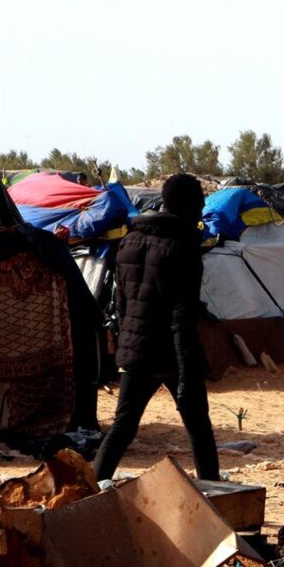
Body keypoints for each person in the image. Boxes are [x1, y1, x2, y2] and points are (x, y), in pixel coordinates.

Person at [93, 174, 220, 482]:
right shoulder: (183, 248)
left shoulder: (130, 241)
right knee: (199, 428)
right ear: (186, 205)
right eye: (199, 202)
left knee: (122, 428)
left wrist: (126, 344)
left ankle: (88, 493)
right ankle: (217, 499)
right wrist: (188, 371)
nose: (203, 208)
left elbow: (121, 302)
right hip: (171, 354)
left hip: (136, 351)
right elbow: (181, 317)